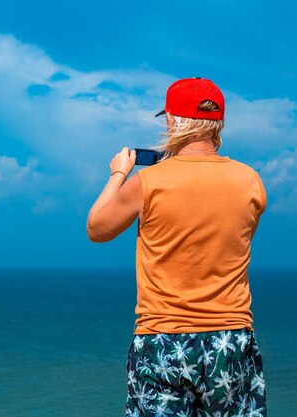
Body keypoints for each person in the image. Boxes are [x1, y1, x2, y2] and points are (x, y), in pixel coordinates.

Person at [86, 78, 267, 417]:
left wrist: (119, 174)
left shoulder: (149, 182)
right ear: (218, 123)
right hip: (230, 339)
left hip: (163, 339)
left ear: (172, 121)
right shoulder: (251, 181)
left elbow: (97, 229)